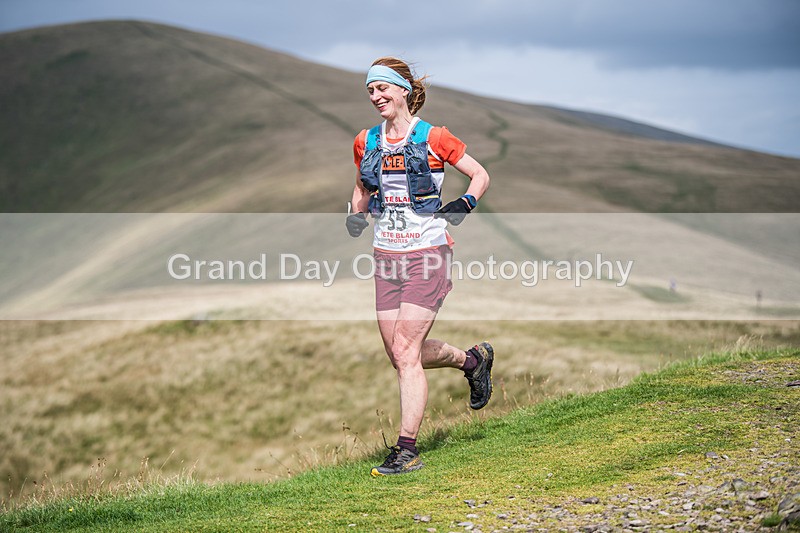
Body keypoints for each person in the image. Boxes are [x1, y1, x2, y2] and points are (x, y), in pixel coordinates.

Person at [345, 57, 494, 476]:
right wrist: (355, 212)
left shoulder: (434, 137)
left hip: (427, 252)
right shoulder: (366, 140)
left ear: (402, 90)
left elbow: (479, 174)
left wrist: (466, 202)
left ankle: (406, 449)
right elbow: (361, 186)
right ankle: (472, 361)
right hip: (385, 256)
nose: (375, 97)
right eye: (370, 91)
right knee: (398, 354)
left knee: (407, 352)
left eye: (382, 88)